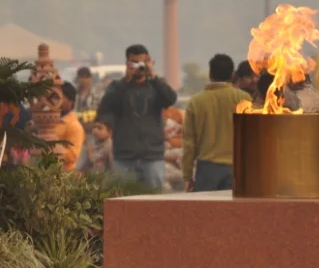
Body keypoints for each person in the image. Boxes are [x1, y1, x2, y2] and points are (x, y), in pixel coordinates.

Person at [96, 44, 178, 190]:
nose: (139, 67)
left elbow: (171, 99)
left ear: (148, 62)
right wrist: (126, 81)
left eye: (142, 62)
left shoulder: (156, 86)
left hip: (152, 156)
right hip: (124, 157)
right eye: (134, 62)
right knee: (124, 199)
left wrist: (153, 76)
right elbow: (105, 108)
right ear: (127, 64)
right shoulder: (117, 86)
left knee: (154, 200)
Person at [182, 54, 252, 191]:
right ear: (232, 75)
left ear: (210, 74)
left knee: (207, 205)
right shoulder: (243, 99)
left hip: (207, 169)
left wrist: (187, 175)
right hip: (236, 167)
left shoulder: (195, 102)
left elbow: (189, 142)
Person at [53, 82, 86, 172]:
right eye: (55, 97)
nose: (56, 101)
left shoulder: (74, 126)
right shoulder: (49, 121)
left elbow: (72, 156)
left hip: (63, 174)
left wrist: (52, 145)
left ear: (72, 102)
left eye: (60, 98)